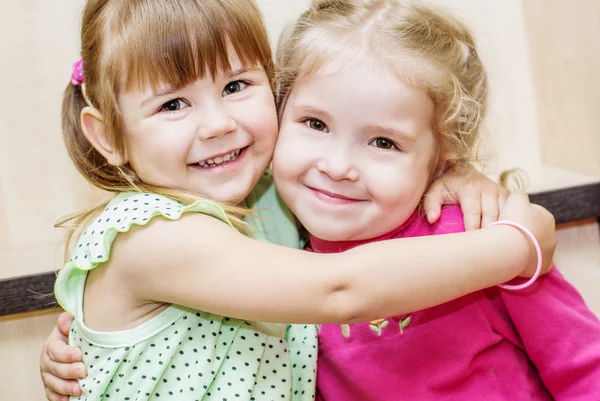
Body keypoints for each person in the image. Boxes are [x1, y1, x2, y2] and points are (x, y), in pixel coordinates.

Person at [39, 0, 557, 400]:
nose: (219, 123)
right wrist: (518, 245)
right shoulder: (151, 237)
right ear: (108, 137)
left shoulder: (263, 204)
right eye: (173, 104)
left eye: (237, 85)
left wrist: (453, 170)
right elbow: (341, 289)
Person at [270, 1, 600, 399]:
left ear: (443, 156)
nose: (338, 167)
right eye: (315, 123)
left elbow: (584, 366)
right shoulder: (271, 238)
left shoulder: (478, 236)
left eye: (383, 142)